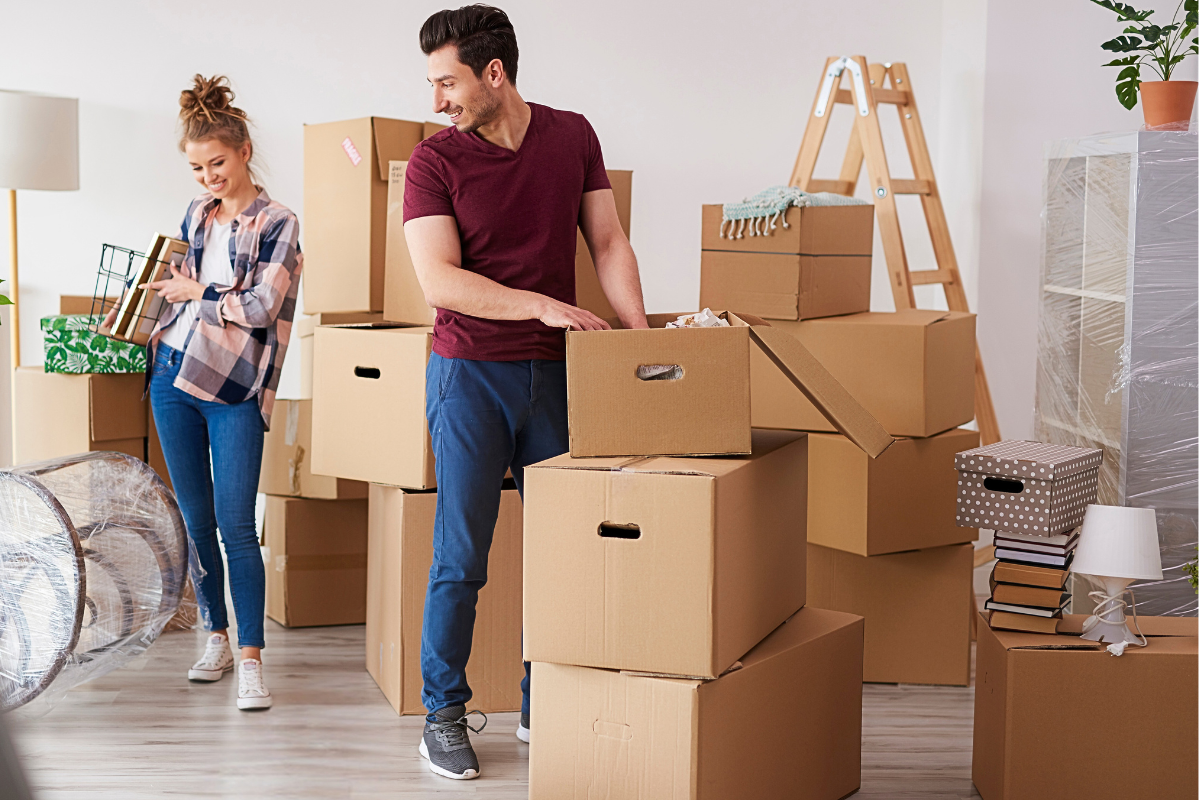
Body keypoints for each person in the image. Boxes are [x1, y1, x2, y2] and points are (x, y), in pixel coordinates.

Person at [403, 5, 649, 781]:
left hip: (558, 379)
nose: (438, 98)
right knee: (461, 557)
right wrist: (540, 302)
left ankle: (547, 699)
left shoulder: (572, 135)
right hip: (470, 375)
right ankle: (442, 714)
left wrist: (641, 337)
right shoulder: (432, 161)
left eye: (447, 81)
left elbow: (606, 241)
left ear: (494, 72)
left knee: (564, 553)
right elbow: (439, 279)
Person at [143, 74, 302, 711]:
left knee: (239, 526)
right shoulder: (196, 215)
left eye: (217, 163)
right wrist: (139, 315)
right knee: (195, 520)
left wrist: (198, 296)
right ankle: (215, 635)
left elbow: (263, 306)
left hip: (233, 387)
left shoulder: (278, 222)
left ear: (242, 153)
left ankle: (252, 660)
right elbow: (175, 286)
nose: (208, 176)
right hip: (172, 379)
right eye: (196, 167)